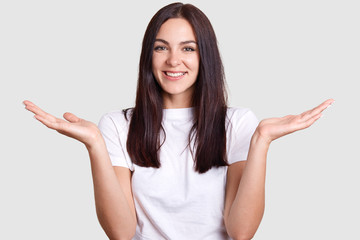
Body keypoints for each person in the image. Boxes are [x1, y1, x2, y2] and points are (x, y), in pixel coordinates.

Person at [23, 2, 334, 240]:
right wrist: (94, 145)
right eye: (161, 48)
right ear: (149, 55)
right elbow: (120, 231)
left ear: (205, 57)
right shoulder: (117, 125)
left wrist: (262, 140)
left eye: (188, 48)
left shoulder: (238, 123)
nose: (173, 60)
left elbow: (240, 231)